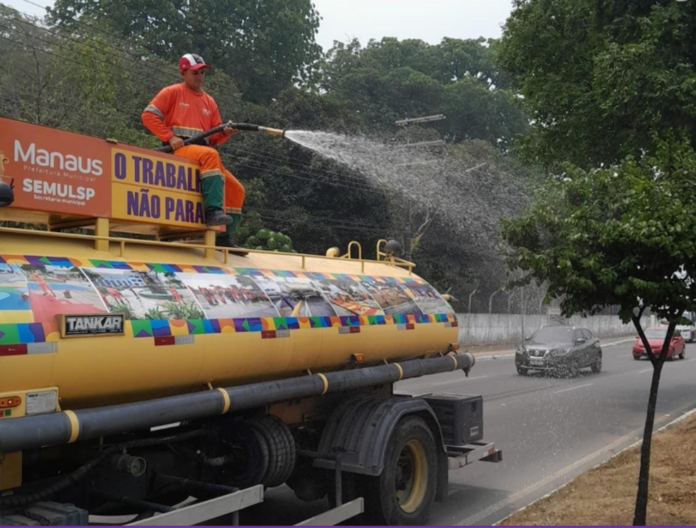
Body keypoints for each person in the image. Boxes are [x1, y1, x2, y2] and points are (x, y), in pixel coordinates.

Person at [141, 53, 247, 252]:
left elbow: (214, 136)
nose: (200, 77)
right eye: (195, 73)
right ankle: (213, 212)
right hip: (179, 151)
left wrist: (226, 132)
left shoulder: (209, 101)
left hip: (203, 152)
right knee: (210, 155)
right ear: (183, 72)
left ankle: (224, 238)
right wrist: (170, 136)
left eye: (202, 72)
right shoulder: (171, 92)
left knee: (236, 189)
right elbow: (148, 116)